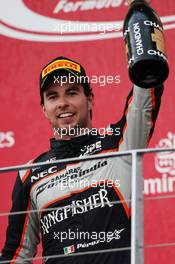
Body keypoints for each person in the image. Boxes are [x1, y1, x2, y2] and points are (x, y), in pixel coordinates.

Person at [0, 53, 164, 264]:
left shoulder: (120, 142)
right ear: (44, 109)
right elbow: (17, 255)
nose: (62, 103)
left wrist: (146, 53)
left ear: (90, 99)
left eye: (71, 92)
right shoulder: (29, 173)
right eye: (52, 96)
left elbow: (143, 101)